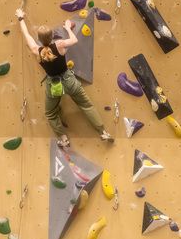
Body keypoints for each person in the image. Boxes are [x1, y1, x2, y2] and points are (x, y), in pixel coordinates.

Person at [17, 8, 113, 149]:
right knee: (86, 105)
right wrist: (68, 28)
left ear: (40, 39)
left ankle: (63, 139)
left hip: (53, 85)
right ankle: (103, 132)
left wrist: (21, 18)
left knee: (51, 113)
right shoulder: (59, 45)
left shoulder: (36, 50)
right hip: (69, 81)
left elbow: (26, 34)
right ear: (52, 36)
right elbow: (74, 40)